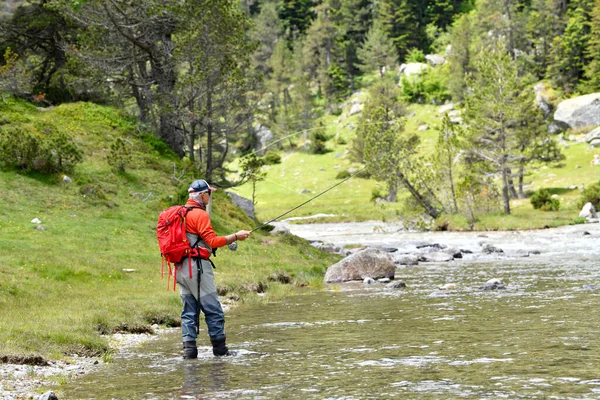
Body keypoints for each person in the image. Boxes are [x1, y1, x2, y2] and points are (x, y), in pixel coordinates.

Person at [177, 179, 250, 359]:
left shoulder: (179, 213)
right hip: (197, 268)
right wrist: (236, 236)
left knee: (189, 311)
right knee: (213, 309)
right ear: (202, 195)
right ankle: (220, 351)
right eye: (209, 193)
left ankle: (189, 353)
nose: (210, 196)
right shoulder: (199, 215)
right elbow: (212, 241)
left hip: (179, 268)